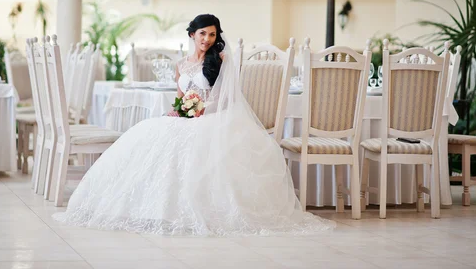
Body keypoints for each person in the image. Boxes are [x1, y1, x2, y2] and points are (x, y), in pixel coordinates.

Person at [53, 14, 334, 236]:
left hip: (213, 118)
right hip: (187, 117)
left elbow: (225, 99)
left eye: (212, 34)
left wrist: (201, 110)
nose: (208, 39)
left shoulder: (221, 60)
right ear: (192, 35)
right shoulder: (181, 64)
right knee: (150, 134)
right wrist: (177, 111)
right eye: (203, 33)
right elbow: (179, 97)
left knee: (188, 142)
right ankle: (156, 209)